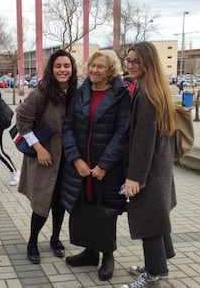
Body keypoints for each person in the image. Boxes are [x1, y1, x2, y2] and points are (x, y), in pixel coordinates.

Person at [61, 50, 130, 281]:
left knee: (106, 210)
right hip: (82, 164)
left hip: (107, 168)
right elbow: (68, 127)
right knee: (85, 206)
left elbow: (122, 133)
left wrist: (104, 165)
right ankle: (90, 252)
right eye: (92, 65)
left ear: (111, 70)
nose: (94, 70)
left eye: (100, 66)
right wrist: (76, 159)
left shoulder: (121, 95)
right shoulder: (82, 92)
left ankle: (107, 256)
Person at [121, 41, 177, 288]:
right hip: (159, 170)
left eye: (136, 61)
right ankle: (158, 265)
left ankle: (152, 275)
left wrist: (135, 177)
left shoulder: (147, 95)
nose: (131, 65)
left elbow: (144, 140)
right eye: (129, 61)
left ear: (148, 63)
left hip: (149, 172)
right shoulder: (157, 89)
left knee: (149, 223)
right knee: (158, 218)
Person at [16, 49, 78, 264]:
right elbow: (22, 120)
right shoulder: (41, 92)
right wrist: (40, 149)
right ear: (52, 69)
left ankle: (55, 239)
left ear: (72, 68)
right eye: (58, 66)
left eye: (66, 66)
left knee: (60, 202)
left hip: (66, 159)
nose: (63, 69)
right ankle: (32, 242)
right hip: (45, 158)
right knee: (43, 203)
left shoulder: (74, 92)